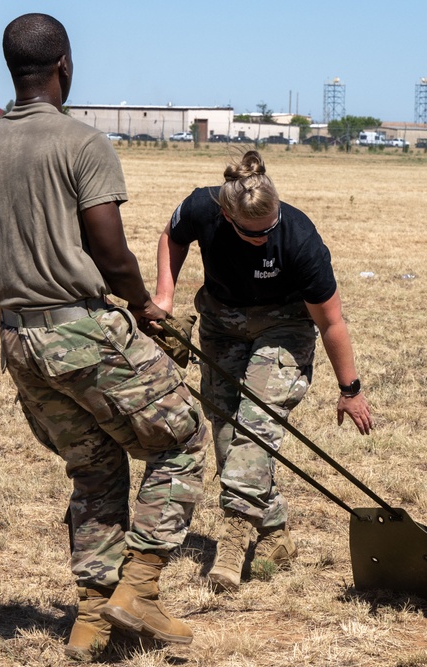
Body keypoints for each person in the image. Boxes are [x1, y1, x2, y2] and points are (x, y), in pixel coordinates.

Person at [0, 13, 206, 660]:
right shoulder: (82, 143)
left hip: (18, 339)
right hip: (76, 328)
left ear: (12, 68)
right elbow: (110, 249)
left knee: (95, 466)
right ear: (64, 65)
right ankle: (141, 587)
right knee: (182, 436)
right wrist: (145, 310)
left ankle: (93, 620)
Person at [154, 150, 373, 593]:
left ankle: (234, 539)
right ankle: (274, 533)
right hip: (222, 322)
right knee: (224, 430)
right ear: (226, 214)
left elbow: (331, 322)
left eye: (267, 229)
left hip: (286, 326)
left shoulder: (300, 239)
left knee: (257, 425)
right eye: (249, 233)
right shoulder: (203, 205)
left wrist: (350, 388)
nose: (262, 238)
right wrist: (164, 295)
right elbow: (172, 236)